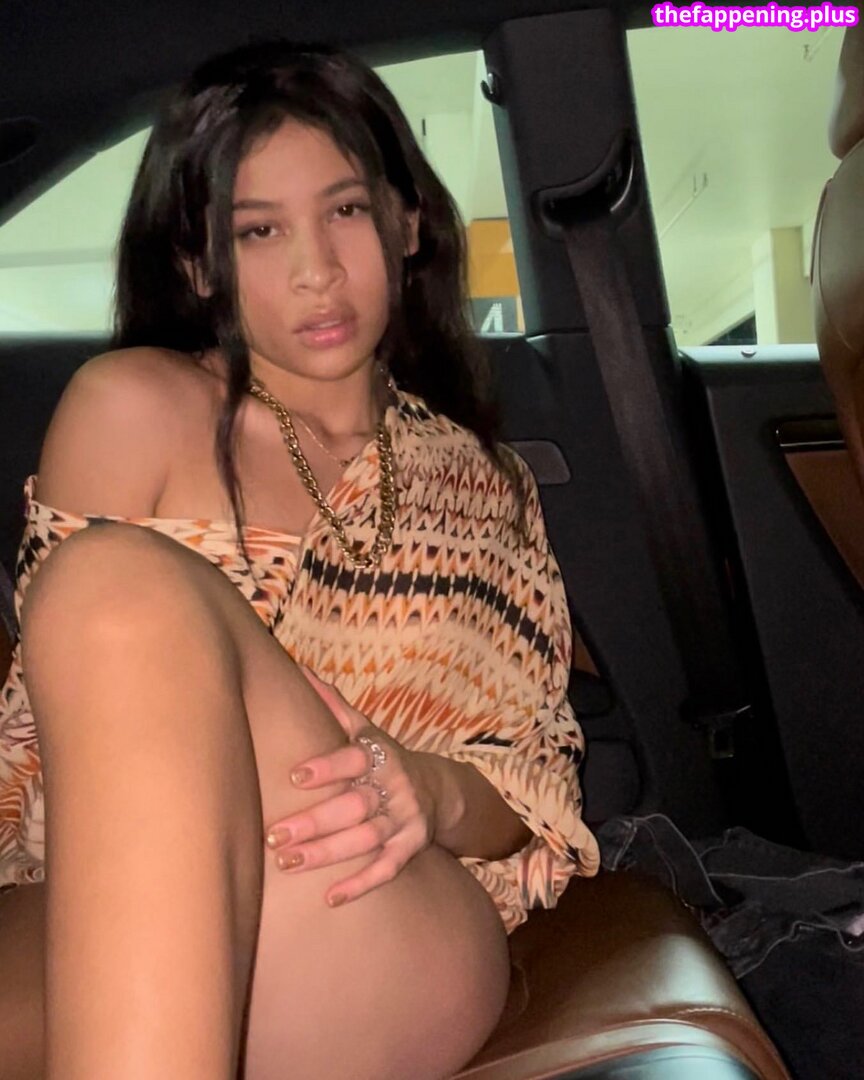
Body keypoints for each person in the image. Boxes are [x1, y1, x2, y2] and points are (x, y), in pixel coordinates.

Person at [0, 40, 599, 1080]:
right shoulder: (132, 410)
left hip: (383, 906)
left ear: (406, 223)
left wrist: (427, 789)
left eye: (346, 210)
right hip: (122, 889)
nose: (315, 270)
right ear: (199, 264)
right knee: (113, 588)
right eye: (259, 230)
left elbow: (532, 782)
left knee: (112, 579)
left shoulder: (482, 482)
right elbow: (45, 747)